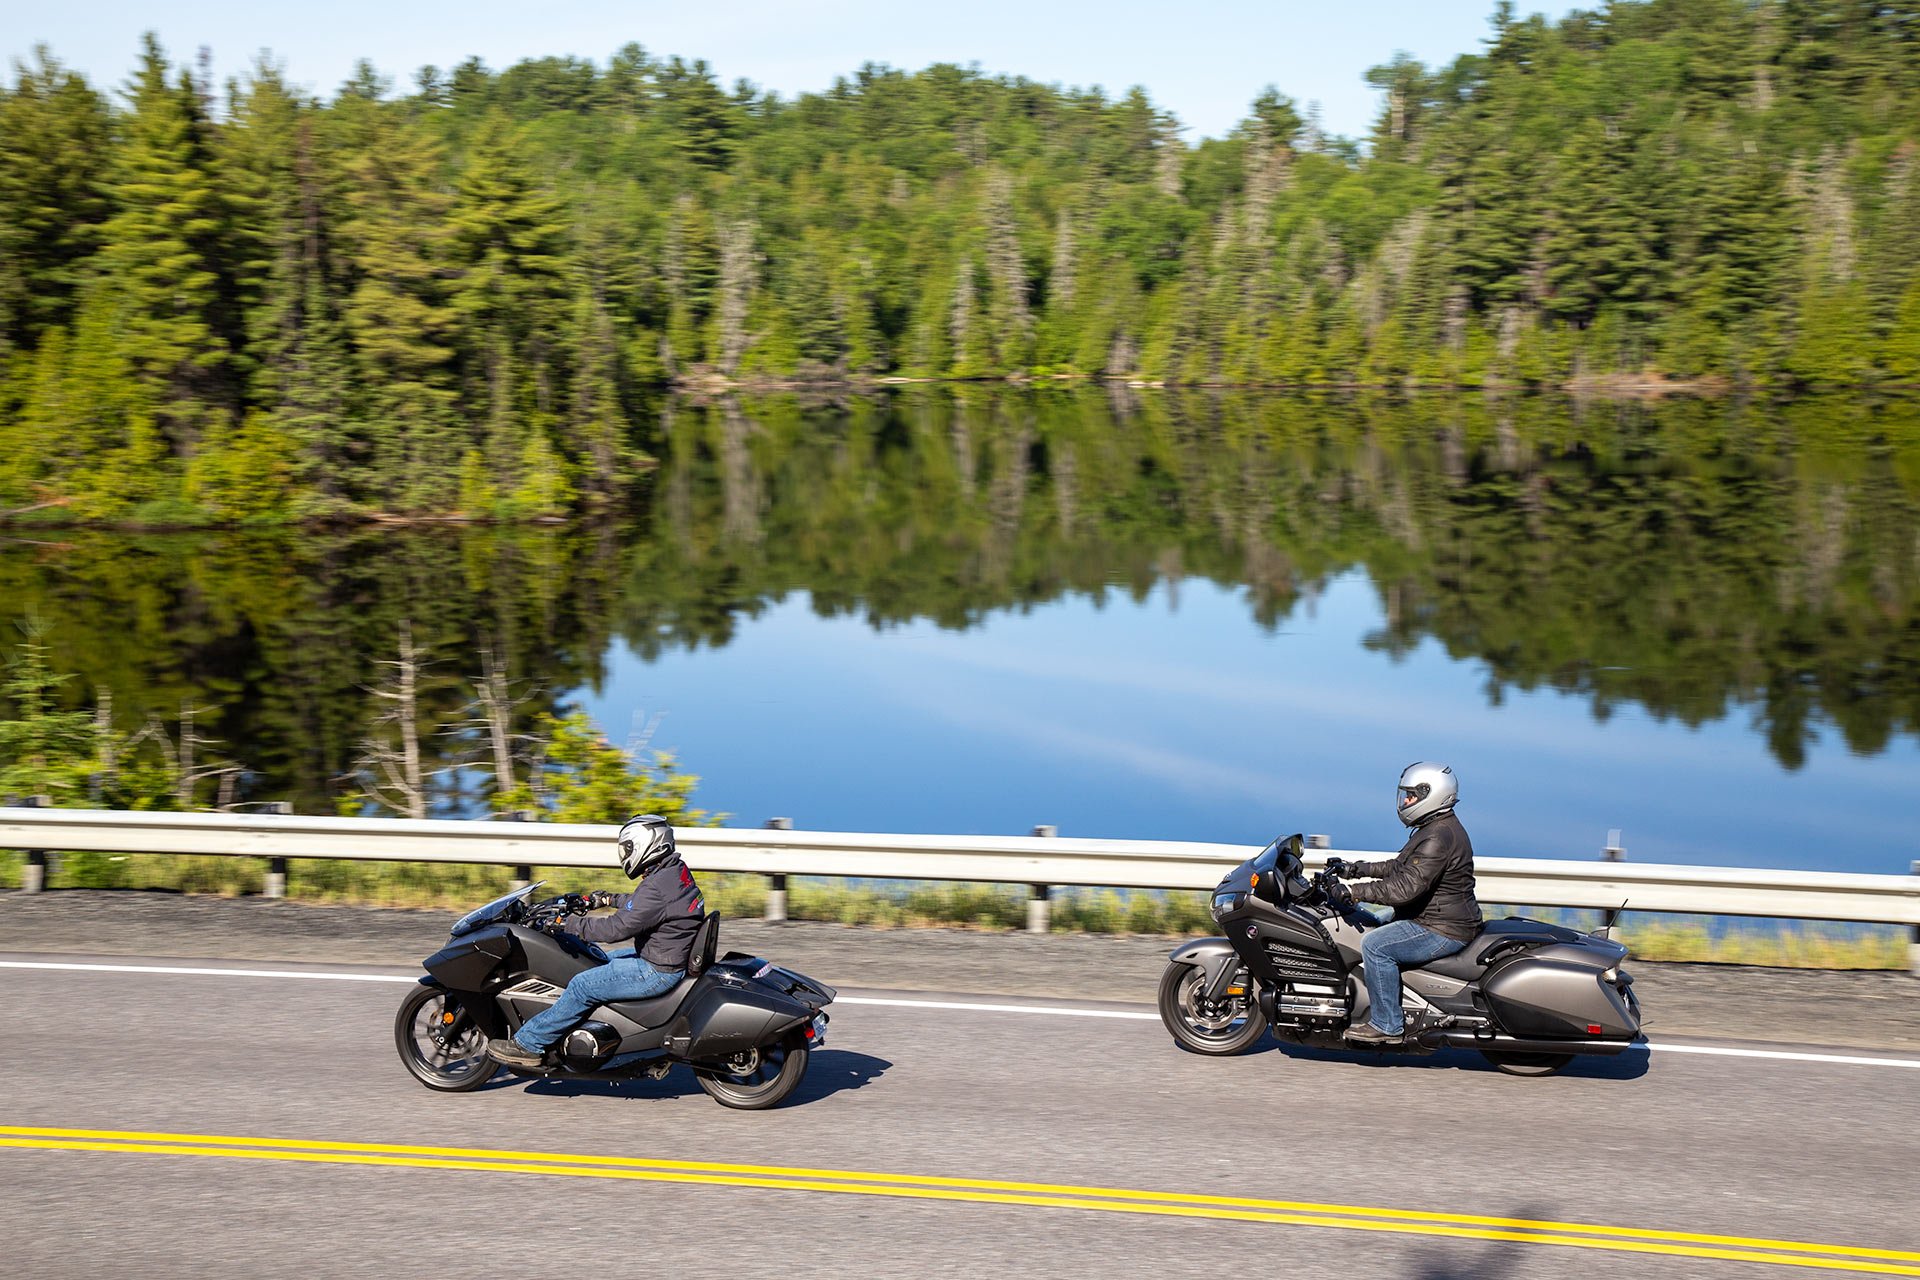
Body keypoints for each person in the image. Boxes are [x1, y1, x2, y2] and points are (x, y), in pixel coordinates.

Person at [487, 813, 706, 1068]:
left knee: (582, 984)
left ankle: (529, 1045)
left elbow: (615, 929)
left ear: (647, 844)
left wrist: (565, 925)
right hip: (664, 958)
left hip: (656, 971)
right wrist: (604, 900)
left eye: (628, 848)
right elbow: (642, 906)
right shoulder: (671, 872)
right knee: (593, 958)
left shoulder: (658, 885)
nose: (625, 854)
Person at [1326, 762, 1483, 1047]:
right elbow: (1400, 867)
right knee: (1370, 922)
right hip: (1437, 916)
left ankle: (1387, 1024)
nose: (1406, 801)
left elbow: (1404, 889)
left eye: (1411, 795)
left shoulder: (1439, 836)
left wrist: (1354, 892)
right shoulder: (1436, 827)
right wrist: (1355, 869)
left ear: (1431, 794)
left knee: (1375, 945)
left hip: (1442, 926)